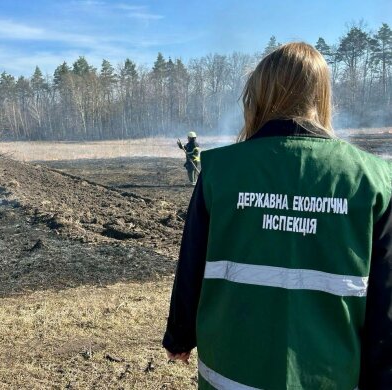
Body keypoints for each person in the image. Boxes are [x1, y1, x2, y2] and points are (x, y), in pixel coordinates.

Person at [163, 42, 392, 389]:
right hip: (330, 376)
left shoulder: (220, 170)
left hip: (231, 376)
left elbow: (192, 262)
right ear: (322, 95)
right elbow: (384, 296)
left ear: (258, 95)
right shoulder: (374, 178)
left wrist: (180, 336)